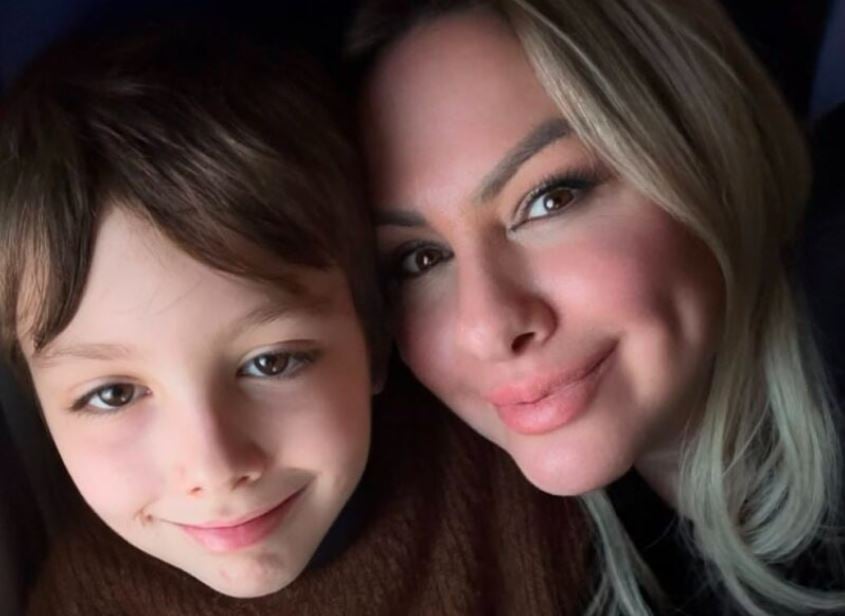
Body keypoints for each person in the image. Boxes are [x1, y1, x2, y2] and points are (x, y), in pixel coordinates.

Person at [0, 26, 589, 614]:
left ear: (374, 339)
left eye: (271, 362)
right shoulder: (76, 603)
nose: (215, 467)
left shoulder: (524, 483)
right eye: (113, 394)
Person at [351, 0, 845, 614]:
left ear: (707, 144)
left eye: (551, 199)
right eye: (420, 259)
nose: (488, 326)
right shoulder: (523, 553)